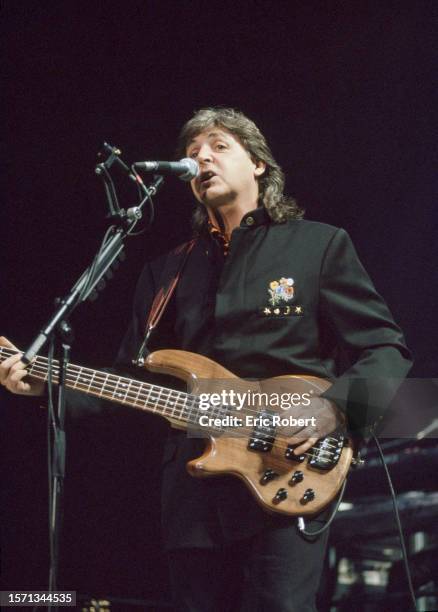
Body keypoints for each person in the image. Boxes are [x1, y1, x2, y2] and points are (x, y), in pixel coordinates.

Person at [0, 107, 412, 611]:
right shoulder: (166, 271)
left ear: (257, 163)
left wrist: (336, 409)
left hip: (288, 472)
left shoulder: (318, 245)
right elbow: (130, 381)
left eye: (218, 146)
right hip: (193, 491)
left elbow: (384, 348)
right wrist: (49, 384)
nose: (201, 158)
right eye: (192, 152)